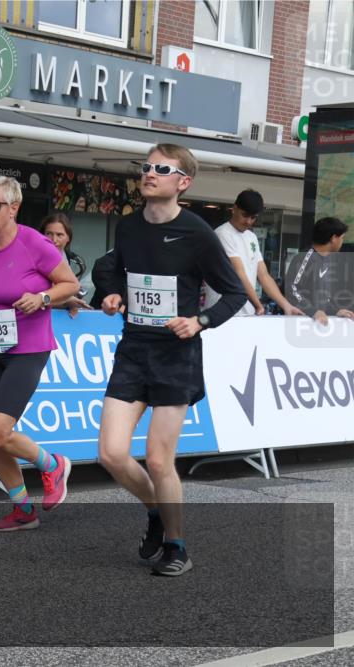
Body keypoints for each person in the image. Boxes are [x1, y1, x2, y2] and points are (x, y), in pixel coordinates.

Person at [95, 144, 246, 576]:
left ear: (183, 182)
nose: (150, 173)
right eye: (146, 167)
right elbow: (110, 269)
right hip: (133, 350)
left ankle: (177, 546)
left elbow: (233, 292)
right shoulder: (127, 228)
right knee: (111, 453)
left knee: (159, 460)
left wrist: (199, 320)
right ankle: (157, 513)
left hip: (176, 355)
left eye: (162, 169)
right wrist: (111, 294)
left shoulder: (198, 233)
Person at [0, 176, 81, 532]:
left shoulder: (34, 243)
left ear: (13, 209)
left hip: (28, 349)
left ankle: (52, 464)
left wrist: (43, 299)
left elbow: (71, 284)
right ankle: (23, 510)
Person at [202, 189, 303, 317]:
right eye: (245, 215)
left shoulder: (252, 237)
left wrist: (286, 305)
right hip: (222, 312)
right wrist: (258, 304)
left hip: (247, 312)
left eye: (253, 217)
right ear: (234, 209)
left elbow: (263, 275)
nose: (249, 221)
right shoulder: (222, 234)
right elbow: (239, 273)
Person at [285, 216, 354, 325]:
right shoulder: (305, 257)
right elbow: (291, 290)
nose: (342, 241)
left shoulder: (326, 261)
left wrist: (336, 311)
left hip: (317, 326)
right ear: (333, 238)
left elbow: (321, 298)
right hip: (300, 324)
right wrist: (313, 311)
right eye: (342, 237)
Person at [40, 213, 90, 317]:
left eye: (59, 235)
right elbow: (37, 297)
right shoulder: (33, 258)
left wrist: (72, 300)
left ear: (68, 238)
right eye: (49, 233)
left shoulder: (67, 259)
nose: (53, 240)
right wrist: (66, 300)